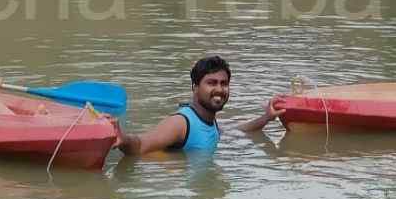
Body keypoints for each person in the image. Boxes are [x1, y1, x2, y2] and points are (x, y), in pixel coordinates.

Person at [108, 55, 286, 155]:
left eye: (224, 84)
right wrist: (124, 139)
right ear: (195, 87)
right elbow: (141, 144)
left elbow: (236, 130)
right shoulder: (181, 123)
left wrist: (267, 118)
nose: (219, 89)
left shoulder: (210, 121)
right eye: (211, 83)